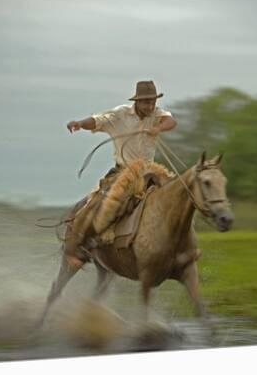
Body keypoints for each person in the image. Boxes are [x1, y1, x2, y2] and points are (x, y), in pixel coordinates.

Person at [64, 81, 177, 268]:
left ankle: (175, 246)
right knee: (100, 204)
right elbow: (97, 120)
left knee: (174, 199)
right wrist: (80, 123)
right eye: (146, 102)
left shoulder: (157, 114)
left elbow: (171, 121)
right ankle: (83, 245)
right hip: (123, 172)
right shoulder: (120, 115)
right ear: (137, 102)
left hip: (150, 172)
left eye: (152, 102)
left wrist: (158, 128)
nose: (150, 106)